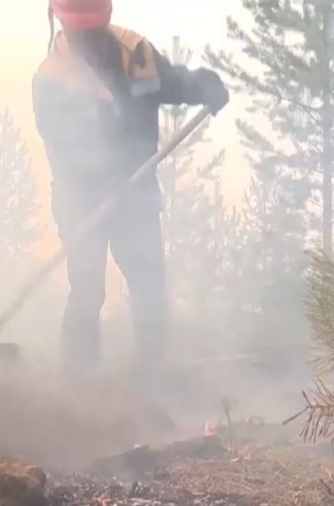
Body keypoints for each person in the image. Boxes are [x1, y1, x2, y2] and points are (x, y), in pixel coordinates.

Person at [32, 0, 229, 373]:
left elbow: (171, 83)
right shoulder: (51, 79)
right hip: (81, 200)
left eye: (93, 28)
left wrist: (205, 84)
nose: (88, 38)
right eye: (80, 31)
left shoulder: (133, 52)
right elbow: (61, 148)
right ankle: (79, 382)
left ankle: (152, 372)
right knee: (88, 286)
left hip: (136, 194)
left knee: (149, 281)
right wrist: (103, 180)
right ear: (61, 21)